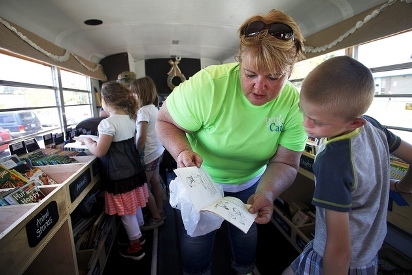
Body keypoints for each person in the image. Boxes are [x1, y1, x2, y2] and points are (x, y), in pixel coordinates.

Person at [156, 9, 307, 275]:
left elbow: (286, 161)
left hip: (251, 182)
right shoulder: (208, 86)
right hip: (204, 181)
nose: (260, 87)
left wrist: (267, 193)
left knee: (246, 234)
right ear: (240, 61)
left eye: (274, 77)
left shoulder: (295, 104)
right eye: (250, 74)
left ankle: (244, 269)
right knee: (196, 239)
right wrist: (182, 150)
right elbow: (165, 121)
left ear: (290, 70)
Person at [281, 55, 411, 275]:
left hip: (340, 261)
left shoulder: (333, 161)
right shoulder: (373, 126)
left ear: (353, 122)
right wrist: (403, 187)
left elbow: (339, 249)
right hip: (368, 252)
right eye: (304, 112)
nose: (306, 125)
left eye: (318, 122)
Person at [74, 81, 148, 261]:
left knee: (126, 213)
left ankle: (136, 246)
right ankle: (140, 235)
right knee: (134, 206)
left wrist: (87, 141)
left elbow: (100, 151)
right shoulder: (131, 117)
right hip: (133, 170)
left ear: (105, 100)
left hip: (118, 174)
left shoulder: (107, 124)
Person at [129, 76, 166, 230]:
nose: (131, 96)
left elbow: (141, 137)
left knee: (142, 186)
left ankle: (156, 217)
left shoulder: (143, 111)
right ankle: (160, 210)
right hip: (158, 151)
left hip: (148, 154)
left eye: (133, 93)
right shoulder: (155, 108)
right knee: (155, 181)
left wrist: (135, 153)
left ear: (140, 93)